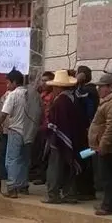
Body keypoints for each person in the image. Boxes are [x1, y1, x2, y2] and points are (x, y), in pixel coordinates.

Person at [42, 70, 85, 204]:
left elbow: (57, 122)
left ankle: (53, 194)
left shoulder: (60, 101)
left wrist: (48, 131)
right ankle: (69, 193)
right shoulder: (73, 98)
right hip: (72, 137)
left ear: (59, 87)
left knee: (55, 166)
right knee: (68, 165)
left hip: (59, 139)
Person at [87, 73, 112, 216]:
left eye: (101, 87)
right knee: (105, 176)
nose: (99, 89)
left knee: (108, 177)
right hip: (102, 145)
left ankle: (109, 205)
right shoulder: (107, 102)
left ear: (110, 87)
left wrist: (103, 144)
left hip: (109, 147)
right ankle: (107, 203)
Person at [0, 69, 31, 197]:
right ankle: (23, 185)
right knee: (23, 159)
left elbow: (4, 113)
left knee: (11, 159)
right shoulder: (29, 94)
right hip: (28, 132)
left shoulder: (13, 95)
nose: (7, 86)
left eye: (8, 83)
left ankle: (12, 187)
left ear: (15, 82)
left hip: (15, 130)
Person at [73, 66, 99, 201]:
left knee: (84, 159)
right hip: (84, 129)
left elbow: (87, 109)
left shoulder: (88, 91)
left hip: (87, 130)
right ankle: (82, 188)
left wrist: (77, 81)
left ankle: (86, 190)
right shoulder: (84, 90)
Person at [31, 70, 56, 186]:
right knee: (38, 152)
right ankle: (37, 173)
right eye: (42, 80)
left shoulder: (52, 96)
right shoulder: (41, 94)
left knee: (45, 153)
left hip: (48, 127)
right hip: (39, 125)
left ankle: (42, 176)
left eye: (46, 81)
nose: (43, 83)